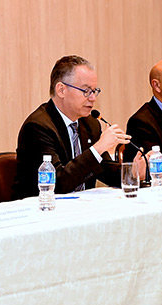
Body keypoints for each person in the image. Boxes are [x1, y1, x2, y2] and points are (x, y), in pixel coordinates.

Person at [14, 55, 144, 198]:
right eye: (86, 91)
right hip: (43, 210)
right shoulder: (38, 127)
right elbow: (58, 184)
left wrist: (133, 172)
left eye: (94, 91)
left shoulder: (90, 124)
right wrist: (98, 148)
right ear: (61, 90)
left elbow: (105, 170)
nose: (93, 98)